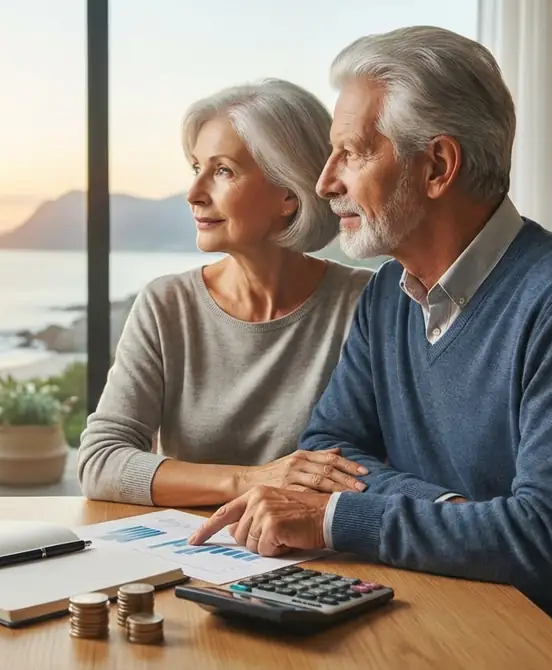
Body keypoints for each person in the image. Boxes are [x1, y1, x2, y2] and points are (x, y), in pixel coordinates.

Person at [187, 27, 552, 669]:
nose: (324, 182)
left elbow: (551, 548)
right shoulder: (386, 297)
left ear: (437, 167)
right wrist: (466, 515)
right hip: (440, 608)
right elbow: (327, 451)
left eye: (351, 153)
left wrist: (336, 519)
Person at [77, 79, 375, 508]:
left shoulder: (366, 304)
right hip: (191, 552)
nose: (194, 194)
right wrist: (250, 480)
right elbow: (100, 462)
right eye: (196, 168)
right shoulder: (167, 305)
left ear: (288, 193)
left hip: (323, 556)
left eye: (222, 171)